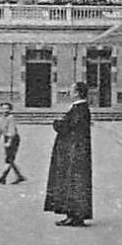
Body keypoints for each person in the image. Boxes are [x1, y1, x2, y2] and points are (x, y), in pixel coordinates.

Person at [44, 81, 93, 227]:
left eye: (72, 90)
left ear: (77, 93)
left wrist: (57, 123)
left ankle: (75, 216)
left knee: (74, 183)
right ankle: (72, 215)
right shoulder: (79, 108)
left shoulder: (79, 108)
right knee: (72, 183)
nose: (69, 93)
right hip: (74, 152)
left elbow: (68, 127)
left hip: (75, 153)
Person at [0, 102, 25, 184]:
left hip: (13, 139)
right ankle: (19, 176)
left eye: (7, 109)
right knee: (10, 159)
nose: (5, 110)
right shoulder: (1, 118)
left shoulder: (11, 118)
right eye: (3, 109)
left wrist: (9, 142)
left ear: (10, 110)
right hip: (6, 138)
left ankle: (3, 177)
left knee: (9, 159)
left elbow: (12, 131)